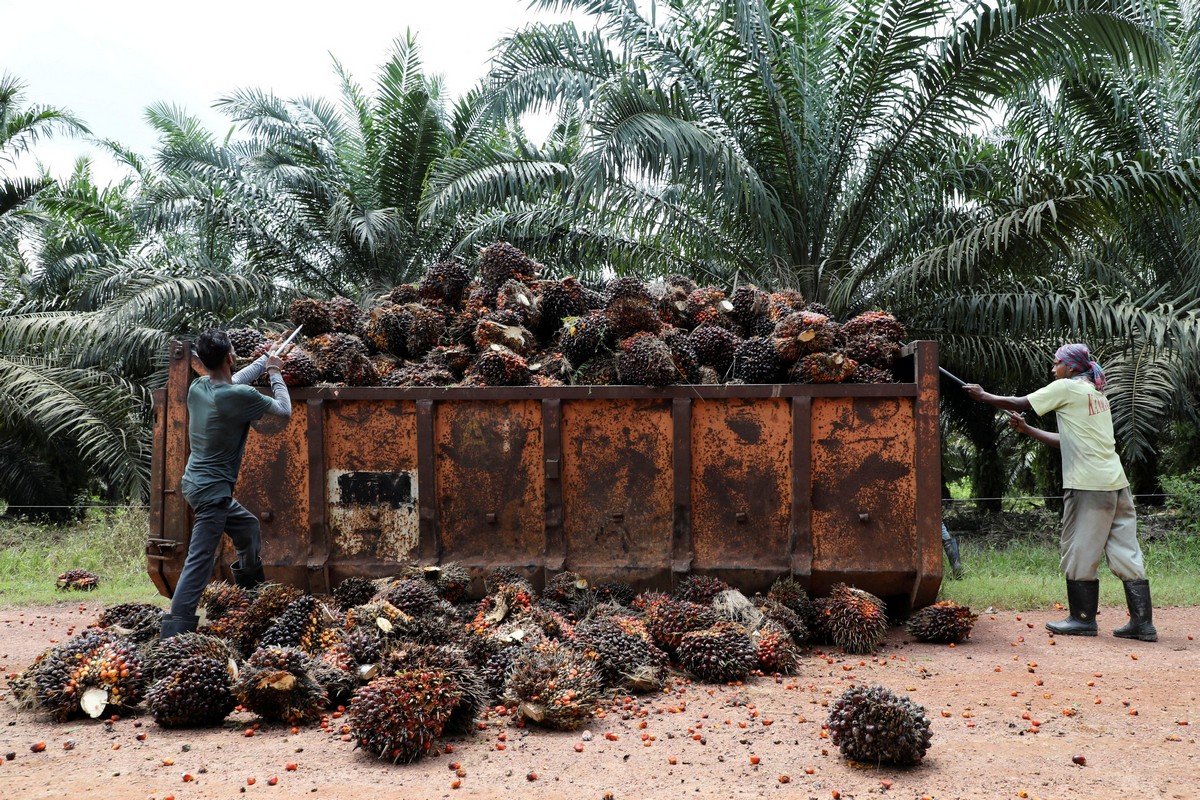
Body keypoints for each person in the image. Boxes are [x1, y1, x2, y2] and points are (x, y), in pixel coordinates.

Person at [962, 344, 1156, 641]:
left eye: (1056, 364)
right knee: (1125, 550)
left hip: (1087, 485)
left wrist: (983, 395)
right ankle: (1142, 624)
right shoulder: (1095, 393)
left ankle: (1082, 619)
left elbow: (1020, 401)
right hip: (1116, 483)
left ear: (1070, 366)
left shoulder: (1066, 387)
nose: (1053, 369)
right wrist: (1028, 431)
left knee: (1079, 548)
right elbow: (1068, 440)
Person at [158, 330, 293, 640]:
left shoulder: (198, 387)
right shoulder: (239, 397)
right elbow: (283, 411)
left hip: (196, 483)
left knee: (247, 527)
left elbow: (233, 382)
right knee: (200, 560)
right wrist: (274, 372)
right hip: (213, 492)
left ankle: (252, 591)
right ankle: (175, 630)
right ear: (231, 357)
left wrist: (263, 360)